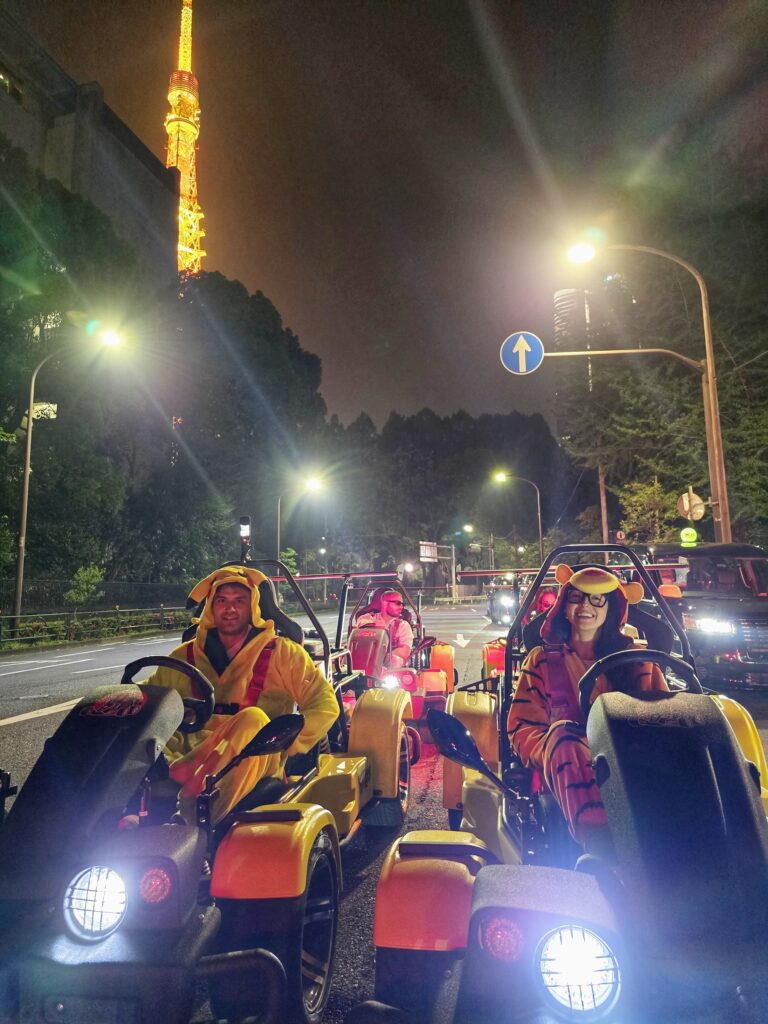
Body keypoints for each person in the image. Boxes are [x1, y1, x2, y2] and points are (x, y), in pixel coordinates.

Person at [148, 565, 339, 823]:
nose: (230, 609)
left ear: (254, 607)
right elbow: (148, 697)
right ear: (210, 607)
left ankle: (187, 821)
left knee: (253, 720)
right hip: (186, 756)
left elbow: (325, 704)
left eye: (239, 601)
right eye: (222, 601)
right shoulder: (183, 656)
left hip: (257, 755)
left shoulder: (284, 653)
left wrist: (287, 741)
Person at [506, 564, 667, 855]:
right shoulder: (541, 660)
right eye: (576, 598)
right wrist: (553, 749)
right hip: (566, 764)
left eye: (597, 599)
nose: (585, 607)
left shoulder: (639, 663)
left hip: (631, 762)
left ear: (611, 608)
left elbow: (665, 720)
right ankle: (602, 848)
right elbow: (522, 727)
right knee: (563, 737)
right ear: (564, 605)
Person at [354, 589, 414, 668]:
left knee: (394, 660)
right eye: (398, 603)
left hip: (390, 671)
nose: (401, 607)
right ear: (384, 603)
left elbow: (405, 650)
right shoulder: (367, 618)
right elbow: (362, 626)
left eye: (402, 604)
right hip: (365, 662)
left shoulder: (403, 625)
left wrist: (387, 657)